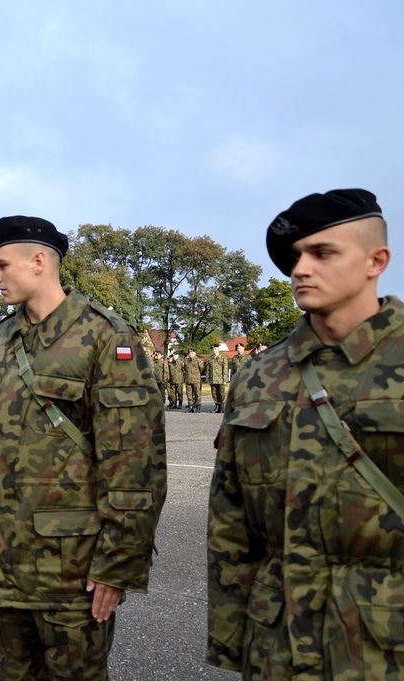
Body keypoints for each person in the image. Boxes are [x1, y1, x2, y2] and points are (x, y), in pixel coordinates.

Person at [207, 188, 404, 679]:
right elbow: (230, 521)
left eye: (322, 253)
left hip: (386, 649)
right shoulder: (258, 377)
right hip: (277, 646)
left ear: (375, 261)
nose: (300, 269)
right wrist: (233, 637)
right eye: (295, 256)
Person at [0, 216, 167, 680]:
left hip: (72, 570)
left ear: (39, 262)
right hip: (4, 557)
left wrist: (119, 564)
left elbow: (136, 461)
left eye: (1, 264)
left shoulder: (105, 335)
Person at [206, 344, 229, 413]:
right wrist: (208, 379)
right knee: (214, 394)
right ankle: (216, 407)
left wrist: (225, 379)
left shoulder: (223, 357)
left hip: (220, 378)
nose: (214, 350)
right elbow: (208, 370)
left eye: (215, 349)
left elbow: (225, 368)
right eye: (213, 349)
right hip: (212, 379)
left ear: (218, 349)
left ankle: (222, 407)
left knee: (221, 393)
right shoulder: (210, 358)